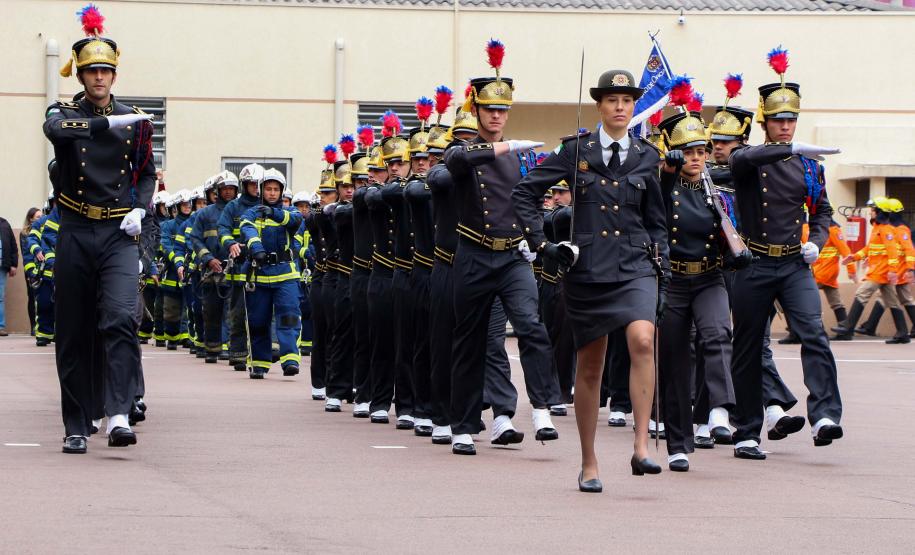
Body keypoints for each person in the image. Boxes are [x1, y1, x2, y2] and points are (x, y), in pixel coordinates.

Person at [515, 68, 667, 490]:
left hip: (636, 265)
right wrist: (543, 244)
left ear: (634, 106)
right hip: (588, 269)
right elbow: (525, 193)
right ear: (600, 106)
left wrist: (663, 259)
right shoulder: (574, 152)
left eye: (627, 101)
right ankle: (589, 461)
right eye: (612, 101)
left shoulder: (647, 155)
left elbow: (656, 219)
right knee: (591, 365)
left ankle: (641, 447)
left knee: (641, 339)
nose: (620, 107)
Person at [44, 5, 156, 453]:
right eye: (91, 71)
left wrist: (142, 209)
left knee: (119, 319)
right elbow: (56, 129)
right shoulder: (66, 112)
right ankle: (76, 423)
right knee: (73, 329)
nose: (99, 79)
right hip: (75, 227)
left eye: (106, 71)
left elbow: (147, 172)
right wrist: (102, 122)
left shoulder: (136, 121)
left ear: (114, 74)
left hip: (117, 234)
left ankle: (119, 414)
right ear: (80, 75)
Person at [446, 40, 560, 456]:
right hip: (474, 255)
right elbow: (459, 163)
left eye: (503, 110)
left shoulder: (520, 161)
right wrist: (508, 146)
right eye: (490, 109)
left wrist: (538, 243)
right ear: (475, 110)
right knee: (470, 341)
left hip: (512, 255)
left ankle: (544, 408)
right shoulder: (461, 150)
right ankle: (461, 425)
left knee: (532, 326)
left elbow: (527, 201)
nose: (497, 115)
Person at [728, 48, 844, 458]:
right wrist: (793, 149)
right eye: (778, 119)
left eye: (791, 119)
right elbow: (747, 156)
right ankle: (746, 430)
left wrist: (819, 241)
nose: (785, 126)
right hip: (755, 262)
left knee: (814, 334)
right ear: (765, 121)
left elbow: (824, 211)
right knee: (746, 346)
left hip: (794, 262)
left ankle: (826, 414)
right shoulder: (747, 158)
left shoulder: (810, 166)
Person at [655, 106, 743, 472]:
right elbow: (652, 207)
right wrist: (667, 171)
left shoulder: (715, 191)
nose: (696, 158)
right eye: (688, 151)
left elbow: (730, 227)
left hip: (709, 276)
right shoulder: (664, 187)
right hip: (673, 280)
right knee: (675, 361)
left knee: (718, 332)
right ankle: (678, 443)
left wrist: (739, 250)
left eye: (701, 151)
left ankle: (720, 409)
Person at [238, 168, 303, 378]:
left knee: (289, 318)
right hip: (259, 274)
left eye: (276, 189)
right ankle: (259, 363)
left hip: (286, 275)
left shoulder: (290, 212)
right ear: (261, 190)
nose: (272, 193)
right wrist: (256, 249)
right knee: (257, 321)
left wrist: (274, 213)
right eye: (268, 189)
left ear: (282, 192)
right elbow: (247, 228)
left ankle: (290, 360)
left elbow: (295, 221)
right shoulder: (251, 213)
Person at [831, 197, 910, 344]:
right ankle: (903, 333)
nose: (871, 213)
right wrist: (854, 257)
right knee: (892, 302)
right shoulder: (877, 229)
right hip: (880, 272)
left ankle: (848, 326)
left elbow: (892, 252)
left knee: (862, 293)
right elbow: (868, 249)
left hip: (880, 273)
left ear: (880, 212)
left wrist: (893, 270)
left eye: (873, 210)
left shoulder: (887, 230)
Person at [190, 171, 239, 364]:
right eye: (224, 189)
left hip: (234, 270)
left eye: (231, 189)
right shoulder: (204, 213)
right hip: (211, 270)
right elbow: (194, 238)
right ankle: (212, 348)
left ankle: (228, 346)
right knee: (211, 310)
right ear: (217, 191)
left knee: (232, 311)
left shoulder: (240, 212)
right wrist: (209, 259)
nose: (227, 192)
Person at [218, 163, 263, 368]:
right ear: (244, 185)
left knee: (263, 312)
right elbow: (223, 228)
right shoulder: (233, 207)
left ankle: (264, 352)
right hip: (239, 265)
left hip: (263, 266)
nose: (255, 187)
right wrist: (231, 243)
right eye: (250, 183)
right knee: (237, 312)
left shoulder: (268, 206)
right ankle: (237, 353)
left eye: (257, 183)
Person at [20, 206, 43, 334]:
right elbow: (25, 253)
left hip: (43, 267)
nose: (41, 219)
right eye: (38, 217)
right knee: (32, 296)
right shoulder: (24, 233)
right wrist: (31, 273)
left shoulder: (44, 229)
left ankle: (42, 324)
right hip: (31, 267)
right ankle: (33, 326)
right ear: (31, 219)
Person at [0, 211, 19, 336]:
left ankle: (0, 326)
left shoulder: (4, 223)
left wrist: (13, 264)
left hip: (2, 266)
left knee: (0, 298)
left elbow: (13, 245)